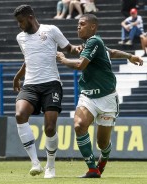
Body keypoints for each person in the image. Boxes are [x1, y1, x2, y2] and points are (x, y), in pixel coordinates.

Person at [56, 14, 143, 178]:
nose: (78, 27)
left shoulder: (95, 41)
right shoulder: (91, 43)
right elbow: (112, 52)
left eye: (82, 24)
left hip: (107, 98)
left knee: (102, 143)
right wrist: (130, 56)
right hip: (88, 96)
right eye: (77, 25)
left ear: (93, 27)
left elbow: (81, 65)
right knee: (79, 125)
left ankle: (102, 161)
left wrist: (63, 59)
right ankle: (92, 169)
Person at [13, 5, 81, 179]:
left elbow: (68, 48)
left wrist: (77, 49)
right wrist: (17, 77)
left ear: (30, 17)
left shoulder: (51, 30)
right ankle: (35, 163)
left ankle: (50, 165)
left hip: (51, 84)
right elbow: (28, 60)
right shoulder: (20, 38)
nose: (19, 25)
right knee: (20, 115)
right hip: (30, 85)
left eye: (21, 21)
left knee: (49, 128)